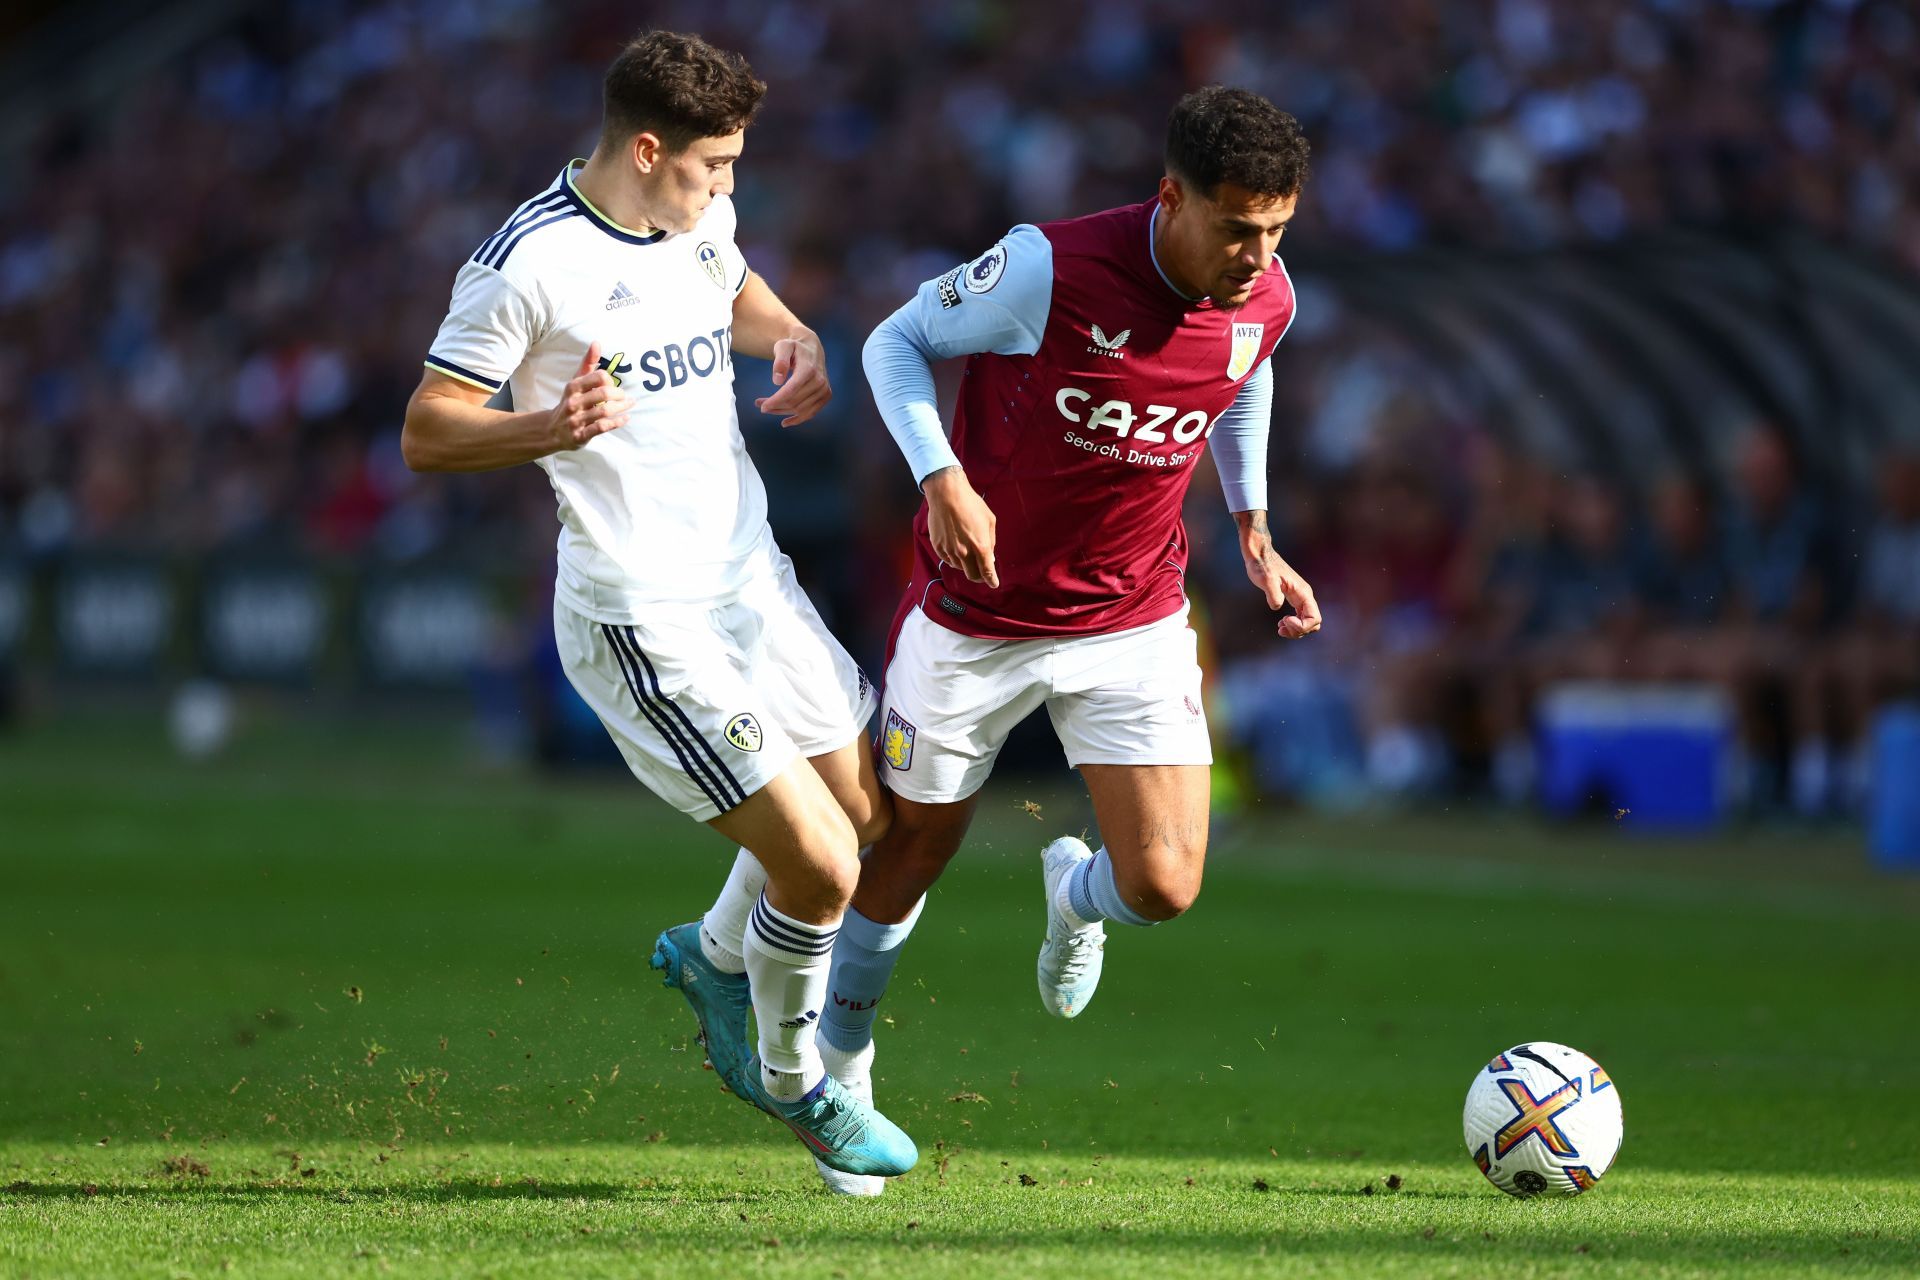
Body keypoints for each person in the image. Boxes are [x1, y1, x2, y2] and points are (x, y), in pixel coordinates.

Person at [399, 30, 914, 1180]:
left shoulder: (696, 220)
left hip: (750, 578)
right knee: (826, 867)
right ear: (646, 147)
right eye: (714, 165)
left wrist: (793, 338)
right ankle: (794, 1084)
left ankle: (717, 952)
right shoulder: (525, 264)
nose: (728, 189)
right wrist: (550, 425)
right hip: (644, 614)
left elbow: (732, 286)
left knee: (869, 813)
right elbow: (428, 429)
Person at [818, 86, 1323, 1195]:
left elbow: (1247, 369)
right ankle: (841, 1074)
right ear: (1171, 198)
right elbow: (895, 341)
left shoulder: (1268, 294)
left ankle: (1073, 895)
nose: (1257, 254)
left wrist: (1254, 522)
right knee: (908, 854)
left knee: (1167, 884)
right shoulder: (1048, 268)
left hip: (1134, 616)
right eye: (1237, 225)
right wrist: (940, 476)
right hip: (975, 616)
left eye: (1276, 229)